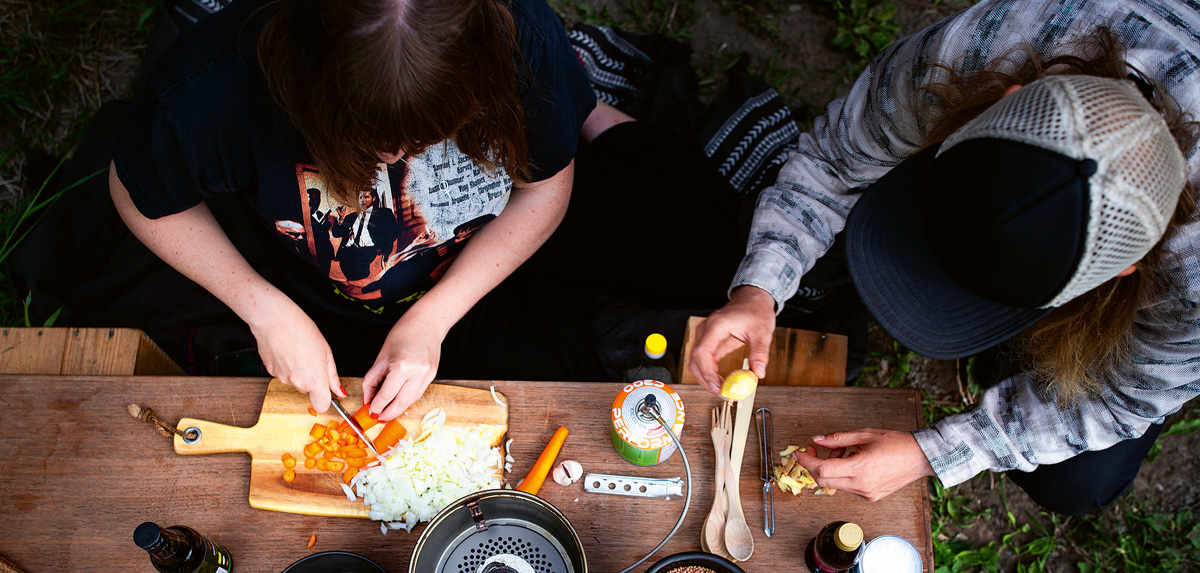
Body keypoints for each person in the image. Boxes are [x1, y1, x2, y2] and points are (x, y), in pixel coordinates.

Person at [690, 0, 1200, 516]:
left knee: (1076, 482)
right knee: (799, 251)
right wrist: (760, 289)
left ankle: (1012, 353)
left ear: (1126, 271)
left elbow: (1119, 401)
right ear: (1007, 98)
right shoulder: (982, 47)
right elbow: (833, 163)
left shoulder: (1191, 286)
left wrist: (931, 454)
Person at [110, 0, 594, 418]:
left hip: (490, 282)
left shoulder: (521, 44)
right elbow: (136, 193)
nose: (395, 157)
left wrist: (432, 319)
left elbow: (544, 192)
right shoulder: (216, 85)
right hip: (310, 302)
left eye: (424, 138)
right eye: (366, 137)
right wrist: (265, 312)